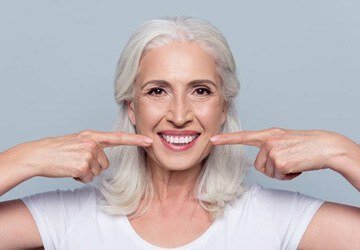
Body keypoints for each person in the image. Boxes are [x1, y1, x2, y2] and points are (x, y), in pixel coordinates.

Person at [0, 16, 359, 250]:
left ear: (223, 107)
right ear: (131, 108)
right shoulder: (68, 217)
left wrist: (341, 153)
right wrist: (24, 159)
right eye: (157, 91)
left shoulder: (273, 217)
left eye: (200, 90)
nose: (179, 115)